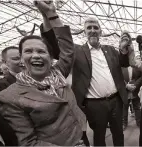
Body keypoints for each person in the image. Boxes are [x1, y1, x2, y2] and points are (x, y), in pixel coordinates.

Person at [0, 1, 86, 146]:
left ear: (50, 58)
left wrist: (51, 13)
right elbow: (28, 143)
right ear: (21, 59)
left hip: (79, 136)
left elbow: (67, 49)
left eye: (41, 51)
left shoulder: (58, 73)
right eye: (28, 51)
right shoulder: (10, 97)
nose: (36, 55)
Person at [40, 5, 130, 147]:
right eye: (89, 28)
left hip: (116, 101)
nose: (93, 31)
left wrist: (124, 50)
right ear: (85, 32)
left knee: (118, 132)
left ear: (101, 31)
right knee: (99, 136)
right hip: (94, 104)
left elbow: (124, 63)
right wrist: (47, 16)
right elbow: (54, 45)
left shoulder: (111, 50)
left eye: (95, 28)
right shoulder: (77, 51)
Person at [122, 65, 142, 130]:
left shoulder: (137, 66)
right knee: (124, 107)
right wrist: (126, 85)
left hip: (135, 89)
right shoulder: (121, 66)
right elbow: (118, 77)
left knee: (137, 107)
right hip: (125, 90)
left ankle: (139, 123)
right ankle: (124, 123)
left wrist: (135, 85)